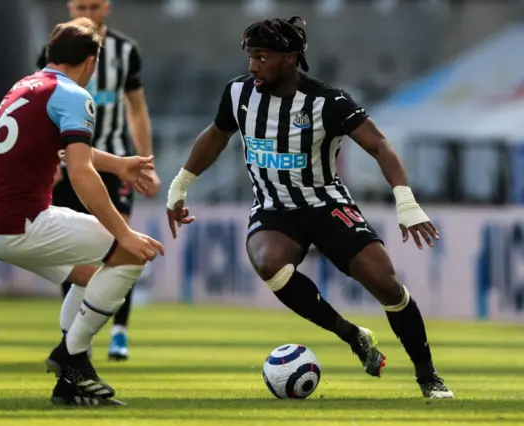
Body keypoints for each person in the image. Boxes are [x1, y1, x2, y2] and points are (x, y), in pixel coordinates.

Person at [165, 16, 453, 399]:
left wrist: (406, 201)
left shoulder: (328, 101)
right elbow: (216, 134)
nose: (252, 65)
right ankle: (352, 334)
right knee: (268, 263)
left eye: (262, 56)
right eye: (251, 56)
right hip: (273, 208)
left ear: (289, 58)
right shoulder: (238, 94)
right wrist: (180, 185)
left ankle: (428, 376)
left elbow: (380, 145)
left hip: (326, 205)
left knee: (385, 283)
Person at [0, 17, 164, 406]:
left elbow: (65, 149)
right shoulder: (74, 95)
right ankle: (71, 357)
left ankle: (69, 384)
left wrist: (119, 164)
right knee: (130, 253)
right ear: (91, 62)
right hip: (23, 222)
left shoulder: (25, 86)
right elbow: (79, 171)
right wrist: (123, 234)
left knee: (89, 275)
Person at [37, 0, 159, 361]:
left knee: (123, 241)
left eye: (94, 6)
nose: (88, 13)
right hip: (68, 161)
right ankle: (74, 338)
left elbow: (137, 108)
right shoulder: (57, 51)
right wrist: (50, 160)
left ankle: (119, 331)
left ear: (107, 7)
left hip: (114, 158)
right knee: (72, 247)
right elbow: (41, 105)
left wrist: (146, 162)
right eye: (81, 6)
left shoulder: (125, 51)